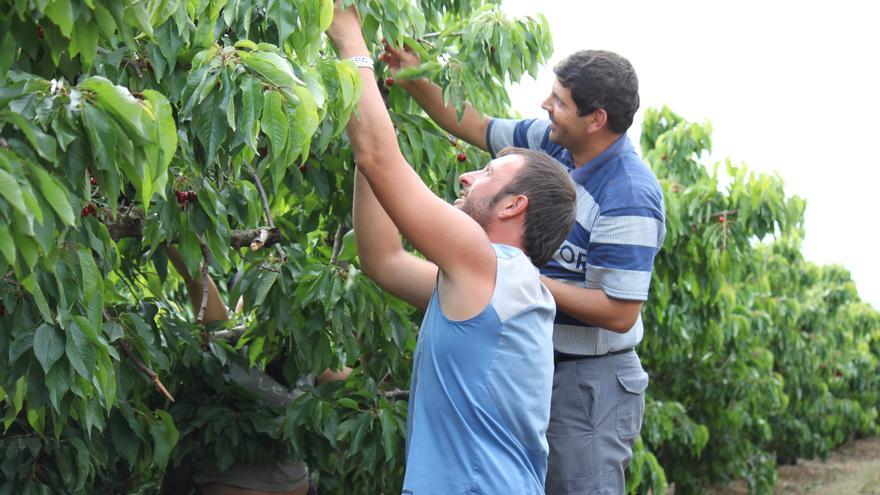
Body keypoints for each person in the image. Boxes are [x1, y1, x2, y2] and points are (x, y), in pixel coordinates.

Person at [381, 44, 665, 493]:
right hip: (528, 355)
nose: (545, 105)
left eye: (560, 101)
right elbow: (475, 125)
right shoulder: (550, 144)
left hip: (588, 378)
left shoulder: (629, 194)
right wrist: (412, 75)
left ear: (597, 120)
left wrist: (518, 279)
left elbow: (620, 311)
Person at [326, 5, 577, 494]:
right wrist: (377, 120)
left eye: (486, 175)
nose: (466, 175)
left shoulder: (489, 264)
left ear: (513, 206)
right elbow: (384, 260)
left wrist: (348, 34)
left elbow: (380, 159)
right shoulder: (489, 288)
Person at [165, 246, 348, 495]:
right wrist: (171, 218)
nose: (269, 308)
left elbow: (363, 385)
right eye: (255, 295)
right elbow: (193, 272)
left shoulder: (305, 355)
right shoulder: (224, 340)